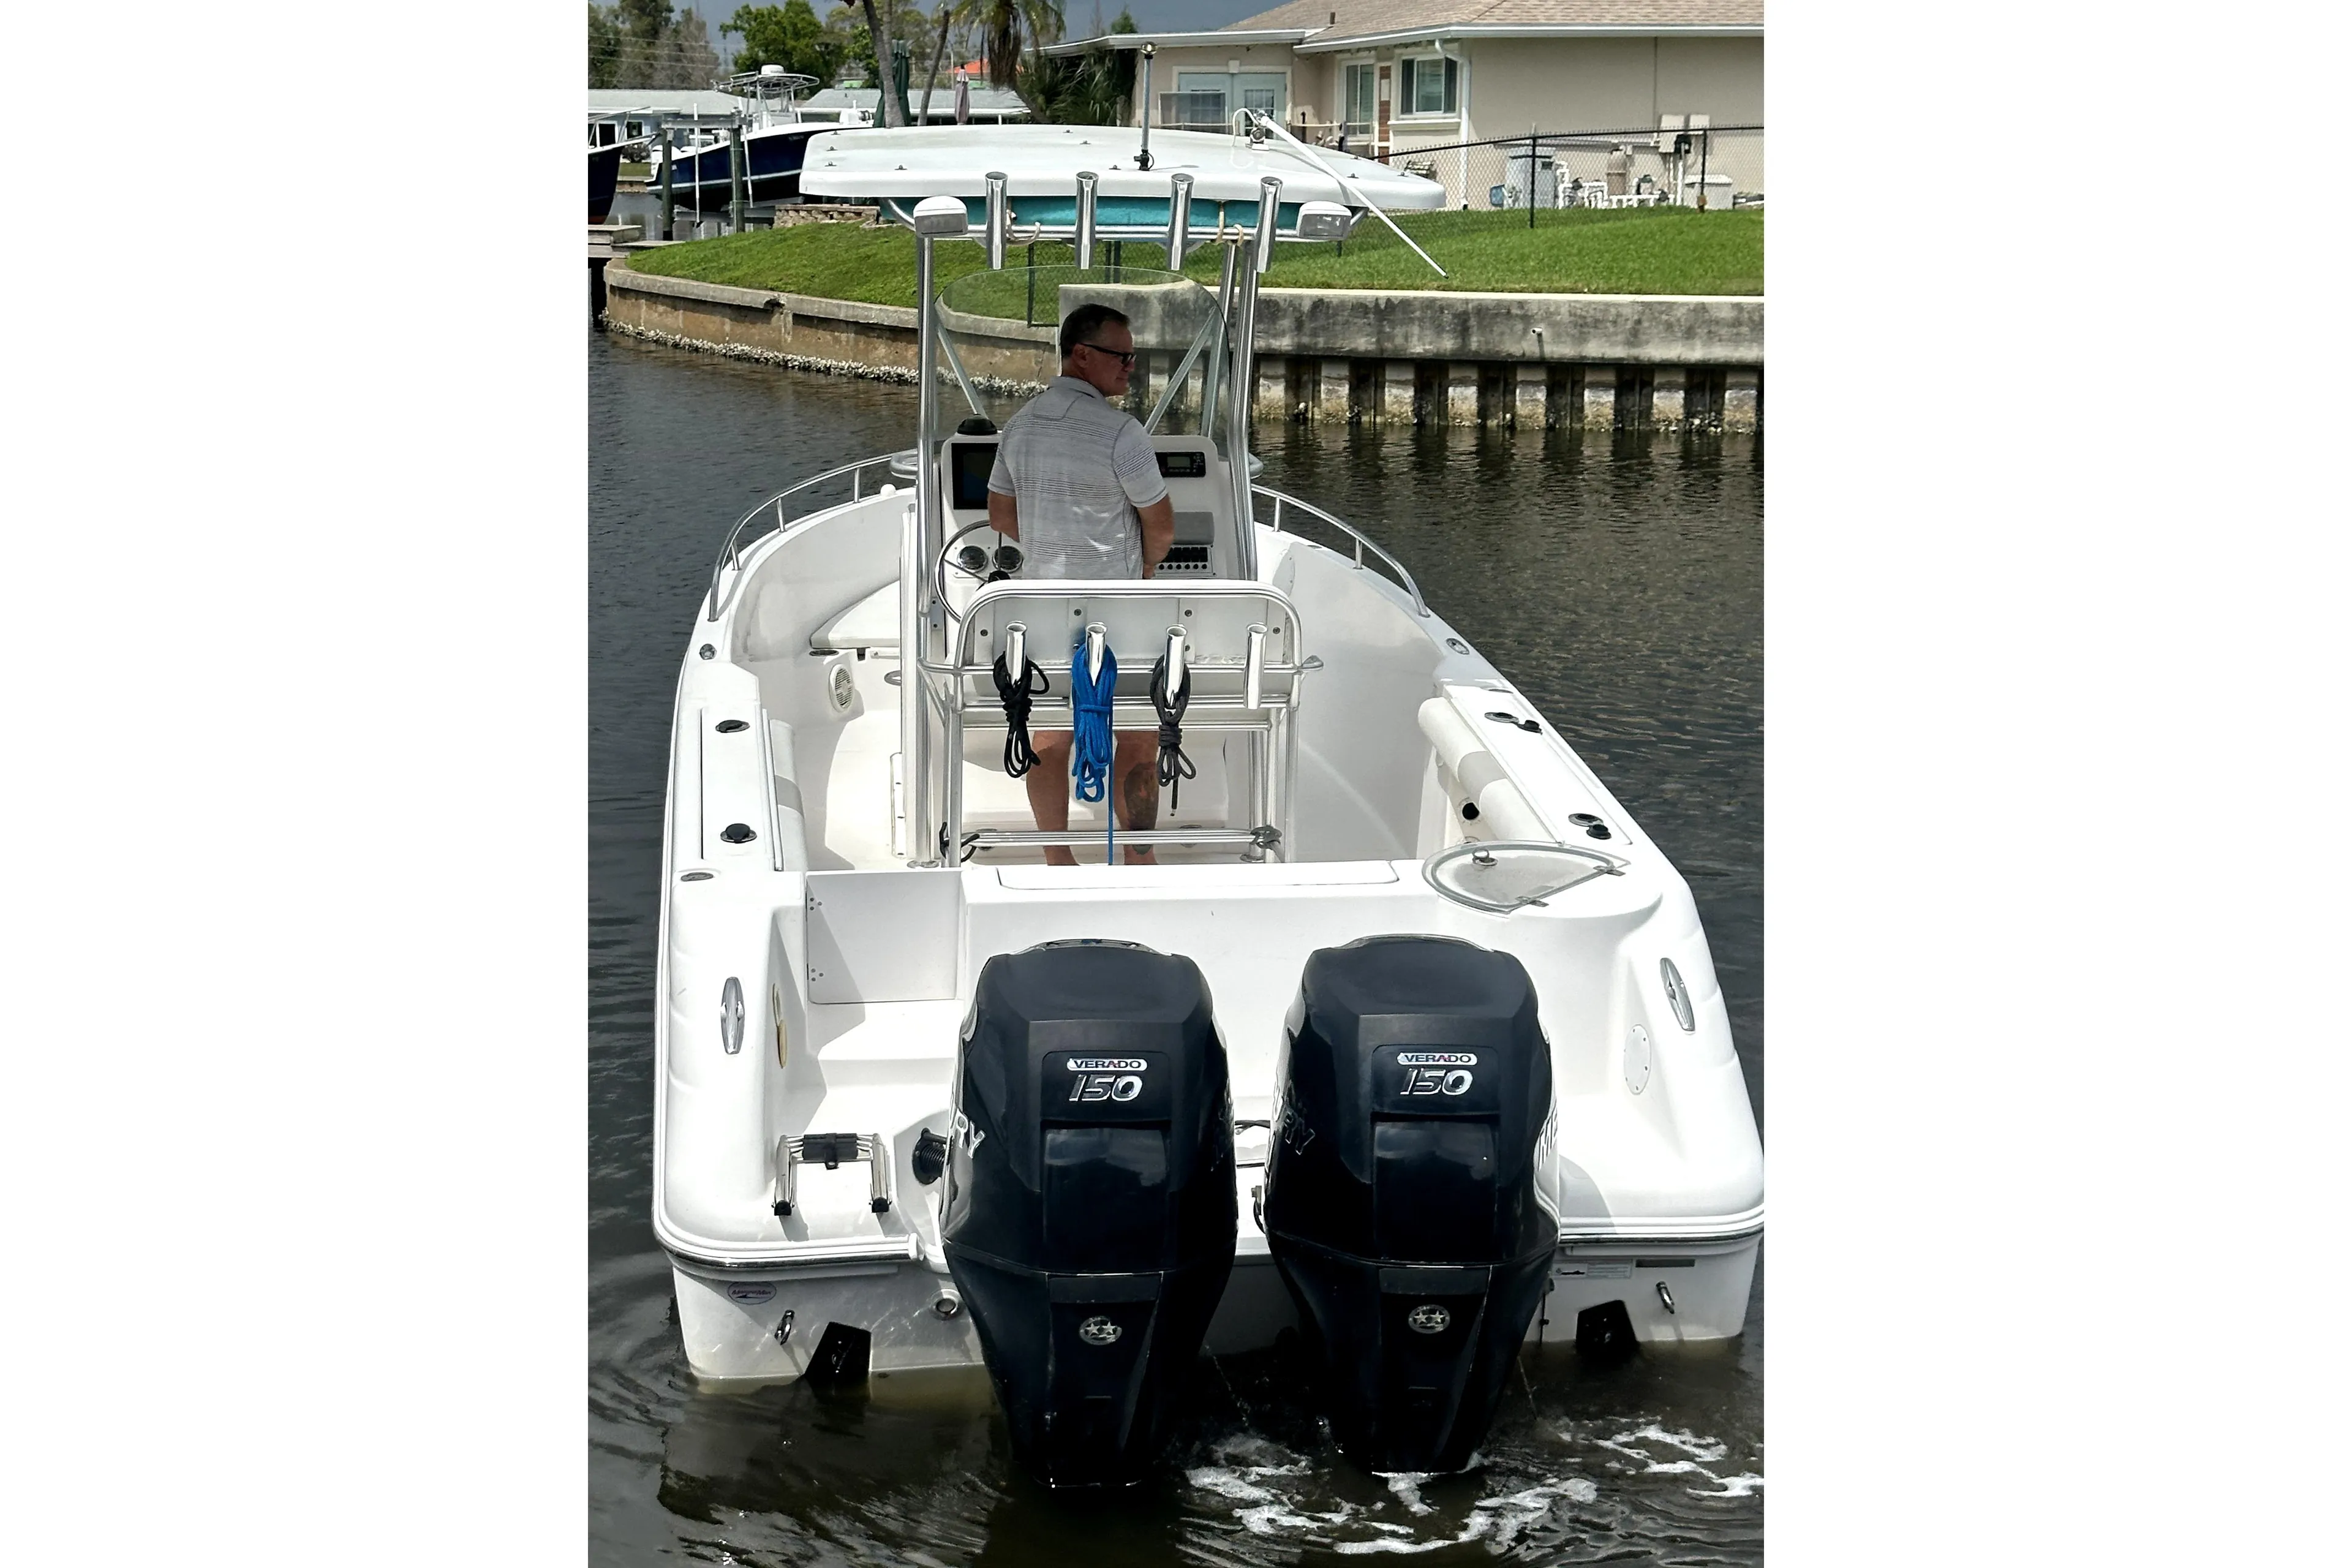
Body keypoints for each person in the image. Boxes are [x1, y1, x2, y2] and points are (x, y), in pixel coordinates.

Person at [986, 303, 1177, 866]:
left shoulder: (1019, 427)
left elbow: (999, 514)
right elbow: (1161, 527)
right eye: (1122, 356)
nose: (1131, 368)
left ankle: (1057, 859)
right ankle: (1139, 858)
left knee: (1049, 738)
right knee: (1139, 737)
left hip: (1043, 611)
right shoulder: (1124, 433)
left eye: (1134, 357)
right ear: (1082, 355)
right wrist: (1141, 571)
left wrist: (1049, 547)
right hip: (1118, 617)